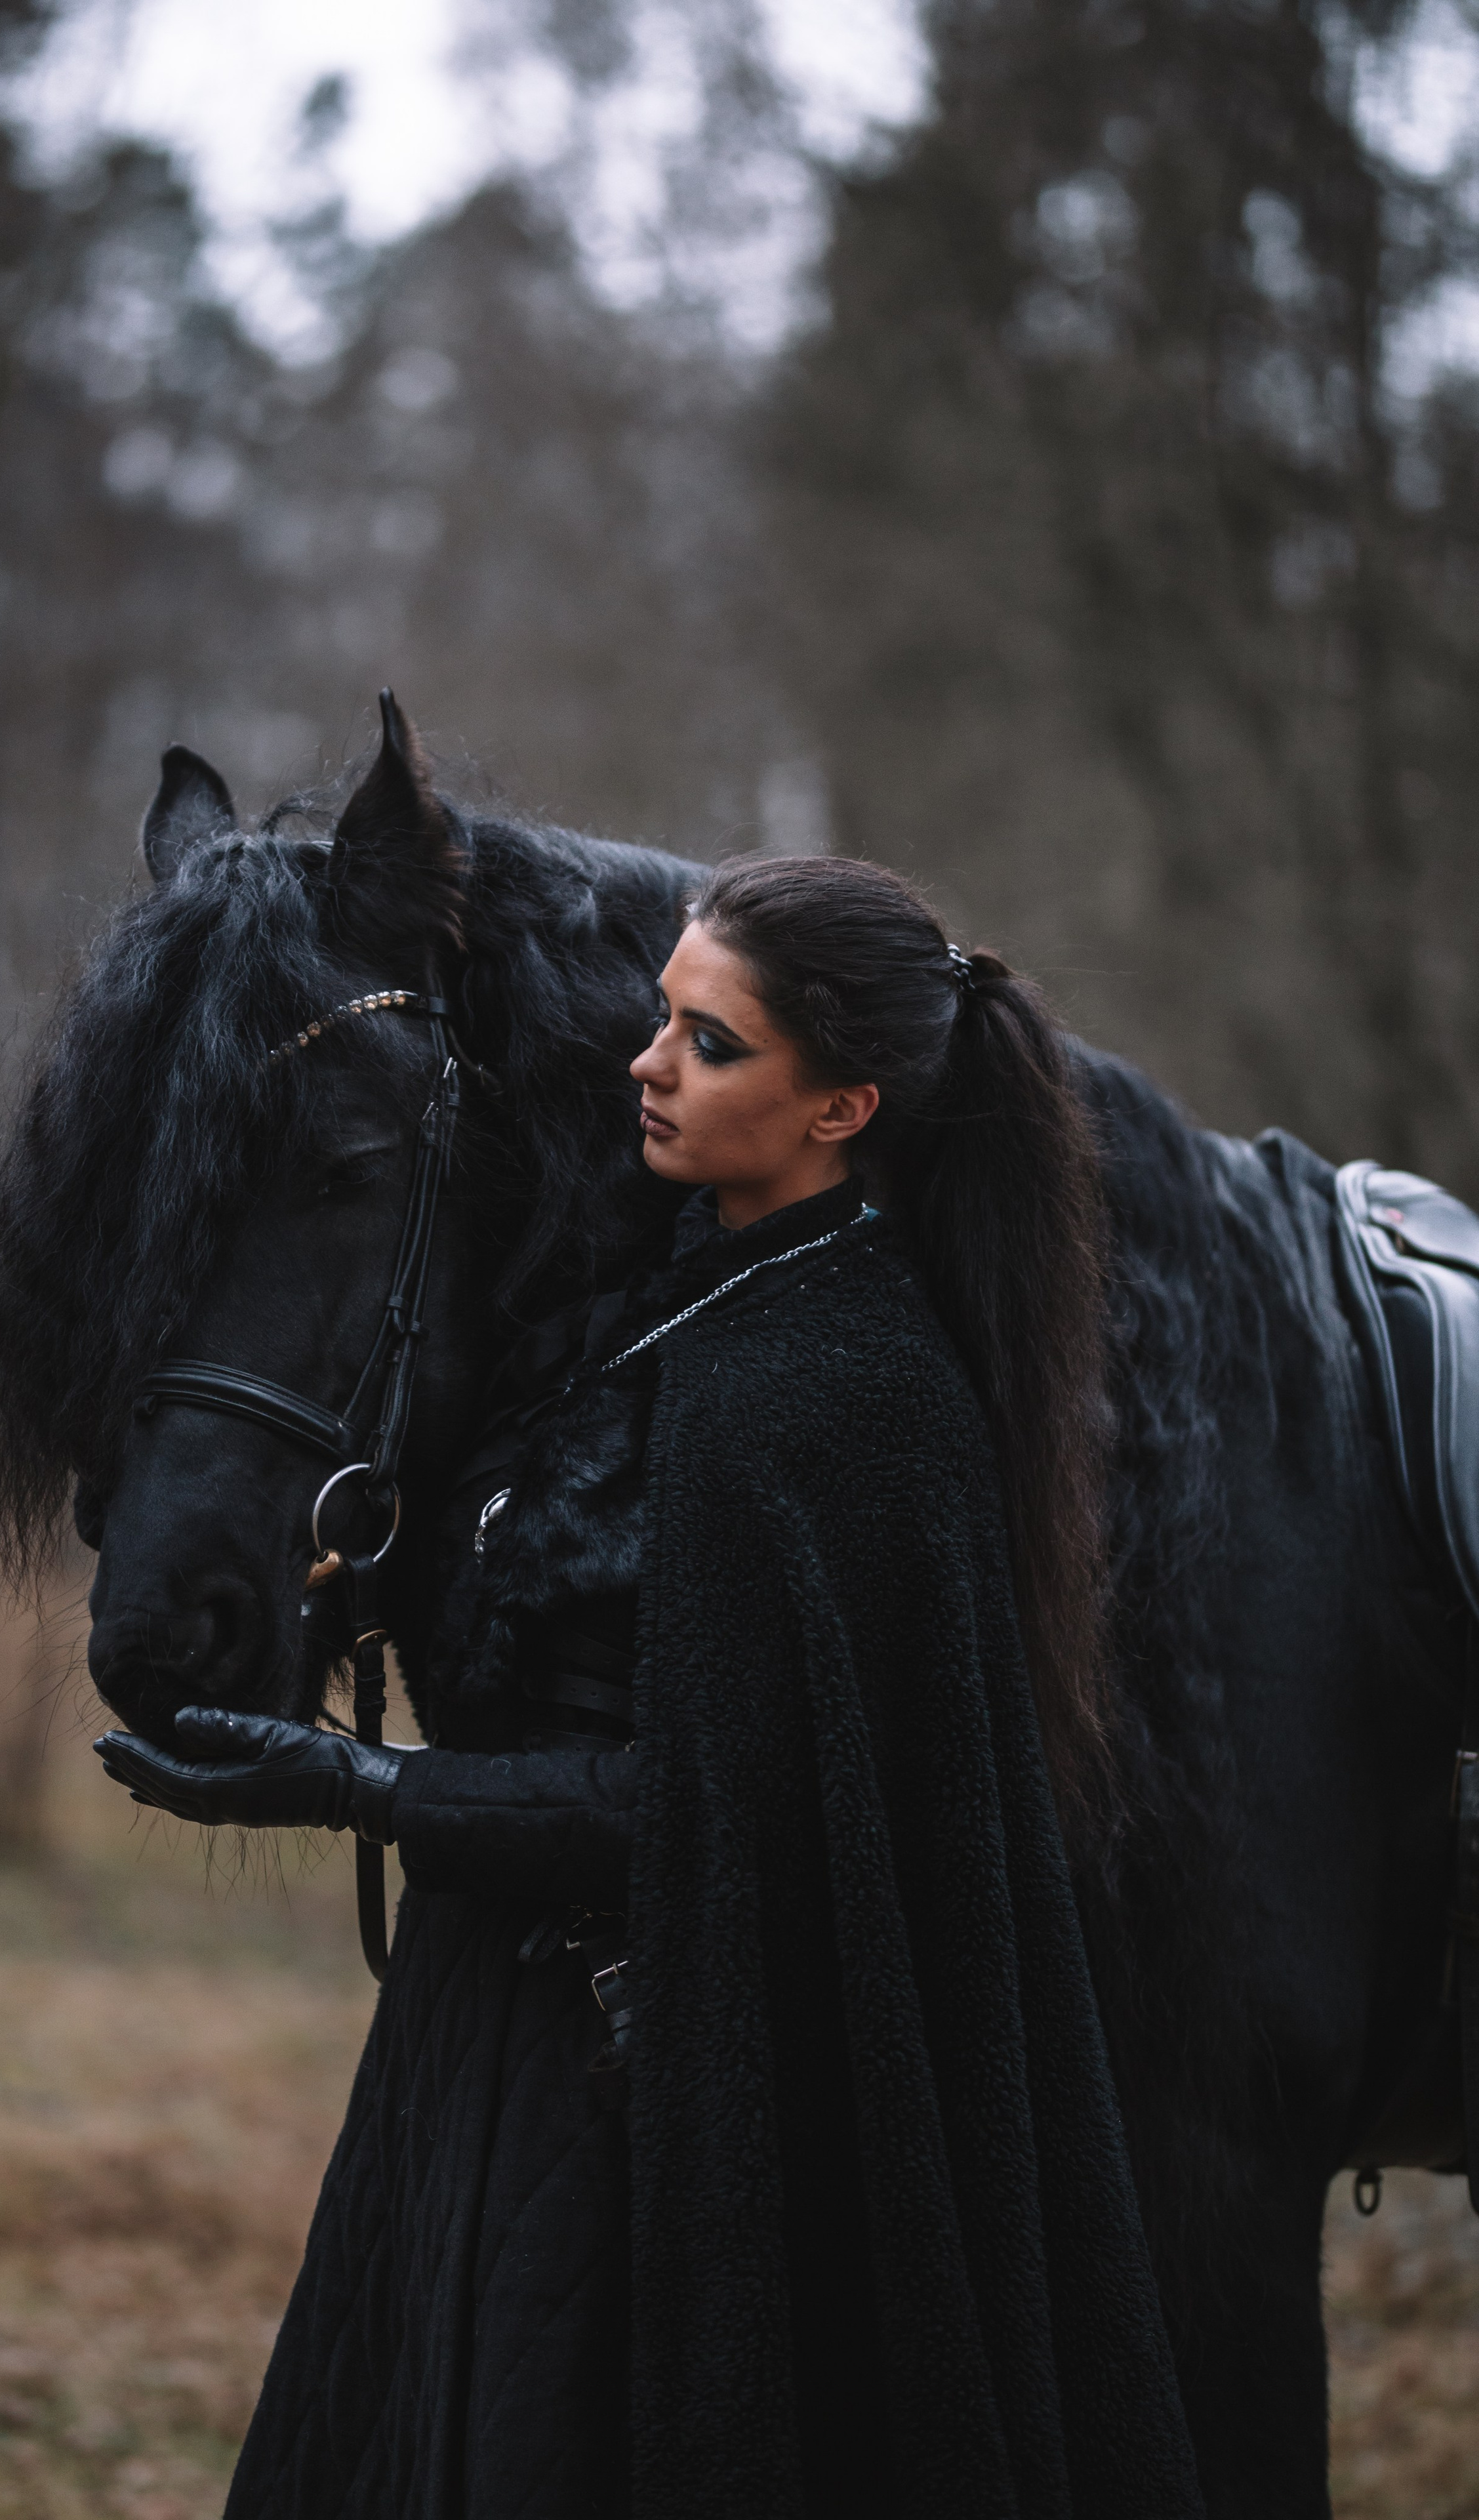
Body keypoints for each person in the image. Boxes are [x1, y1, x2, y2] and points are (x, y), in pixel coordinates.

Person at [97, 854, 1203, 2520]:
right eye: (659, 1015)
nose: (648, 1059)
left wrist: (358, 1787)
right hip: (481, 2062)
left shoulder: (850, 1394)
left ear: (842, 1107)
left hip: (676, 2123)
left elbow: (703, 1810)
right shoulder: (671, 1302)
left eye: (710, 1039)